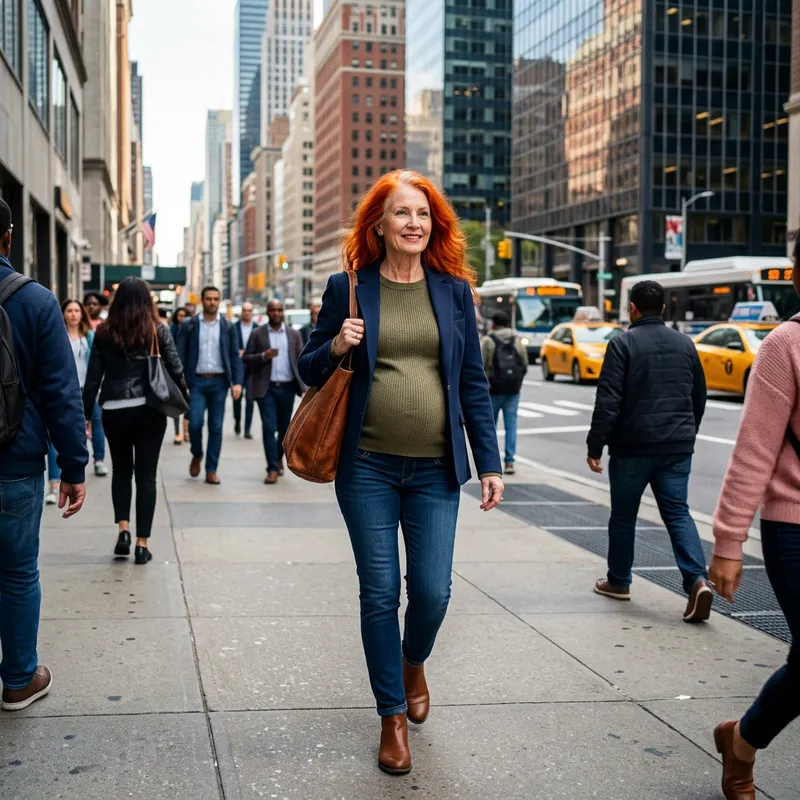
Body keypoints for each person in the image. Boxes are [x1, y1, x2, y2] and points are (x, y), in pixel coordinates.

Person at [298, 169, 503, 776]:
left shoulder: (455, 292)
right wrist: (337, 345)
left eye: (423, 214)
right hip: (366, 468)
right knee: (381, 591)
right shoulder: (349, 288)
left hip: (438, 469)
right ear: (379, 225)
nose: (414, 223)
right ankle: (391, 715)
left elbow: (472, 383)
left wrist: (488, 461)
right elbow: (309, 369)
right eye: (401, 214)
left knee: (434, 593)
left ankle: (414, 661)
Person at [708, 238, 800, 800]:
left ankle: (739, 738)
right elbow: (754, 451)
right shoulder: (783, 345)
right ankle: (743, 742)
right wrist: (728, 539)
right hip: (794, 524)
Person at [0, 198, 87, 712]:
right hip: (16, 463)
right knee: (16, 571)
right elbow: (60, 392)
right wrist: (72, 468)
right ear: (9, 238)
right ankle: (17, 680)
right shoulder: (35, 302)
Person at [586, 279, 711, 622]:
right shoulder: (685, 343)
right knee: (677, 513)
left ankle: (619, 581)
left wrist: (595, 444)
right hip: (676, 447)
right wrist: (688, 432)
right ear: (665, 309)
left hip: (632, 448)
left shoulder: (622, 344)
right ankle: (697, 579)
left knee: (624, 517)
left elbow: (608, 400)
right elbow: (698, 395)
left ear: (632, 308)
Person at [83, 277, 187, 565]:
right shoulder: (157, 329)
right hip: (150, 409)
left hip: (114, 409)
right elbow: (176, 368)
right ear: (147, 300)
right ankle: (142, 544)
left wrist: (84, 414)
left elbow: (93, 378)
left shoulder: (104, 332)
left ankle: (123, 531)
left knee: (120, 471)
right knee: (146, 476)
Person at [177, 285, 243, 485]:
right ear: (202, 300)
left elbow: (234, 355)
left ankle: (211, 469)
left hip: (219, 382)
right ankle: (197, 453)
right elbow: (179, 354)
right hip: (195, 381)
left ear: (219, 300)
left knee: (216, 427)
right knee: (195, 423)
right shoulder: (189, 325)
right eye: (208, 299)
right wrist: (181, 382)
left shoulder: (228, 326)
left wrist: (237, 383)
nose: (212, 302)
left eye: (215, 299)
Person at [244, 300, 306, 483]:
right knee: (269, 428)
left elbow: (299, 361)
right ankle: (271, 468)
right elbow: (246, 358)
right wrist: (264, 356)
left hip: (287, 388)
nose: (276, 313)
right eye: (273, 310)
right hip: (267, 388)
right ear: (268, 312)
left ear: (283, 312)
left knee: (285, 430)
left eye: (279, 310)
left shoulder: (293, 335)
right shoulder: (258, 334)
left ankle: (278, 457)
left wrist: (304, 386)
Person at [45, 299, 95, 505]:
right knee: (54, 437)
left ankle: (97, 459)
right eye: (69, 310)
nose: (73, 314)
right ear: (63, 313)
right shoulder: (56, 335)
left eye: (77, 310)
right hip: (58, 391)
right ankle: (54, 484)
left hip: (83, 389)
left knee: (83, 430)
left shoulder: (88, 336)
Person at [481, 310, 528, 475]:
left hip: (493, 390)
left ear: (493, 323)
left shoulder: (488, 340)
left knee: (489, 427)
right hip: (512, 391)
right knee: (511, 426)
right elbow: (525, 363)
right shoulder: (516, 340)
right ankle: (509, 462)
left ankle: (490, 463)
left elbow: (480, 365)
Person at [81, 294, 109, 476]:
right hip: (77, 384)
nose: (91, 307)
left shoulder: (105, 327)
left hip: (96, 384)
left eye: (95, 304)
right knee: (79, 424)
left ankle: (99, 459)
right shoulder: (80, 328)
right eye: (88, 304)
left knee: (97, 421)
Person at [233, 301, 258, 438]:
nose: (247, 313)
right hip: (238, 367)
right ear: (241, 312)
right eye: (244, 310)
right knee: (236, 397)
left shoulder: (257, 328)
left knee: (250, 399)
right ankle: (237, 421)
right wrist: (237, 352)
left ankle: (247, 429)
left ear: (252, 312)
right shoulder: (234, 327)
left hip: (252, 368)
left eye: (249, 310)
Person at [170, 307, 188, 444]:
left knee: (188, 401)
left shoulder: (190, 329)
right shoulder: (172, 330)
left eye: (184, 316)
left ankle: (186, 430)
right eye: (180, 315)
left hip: (189, 370)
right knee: (176, 401)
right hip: (175, 371)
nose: (182, 318)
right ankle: (177, 432)